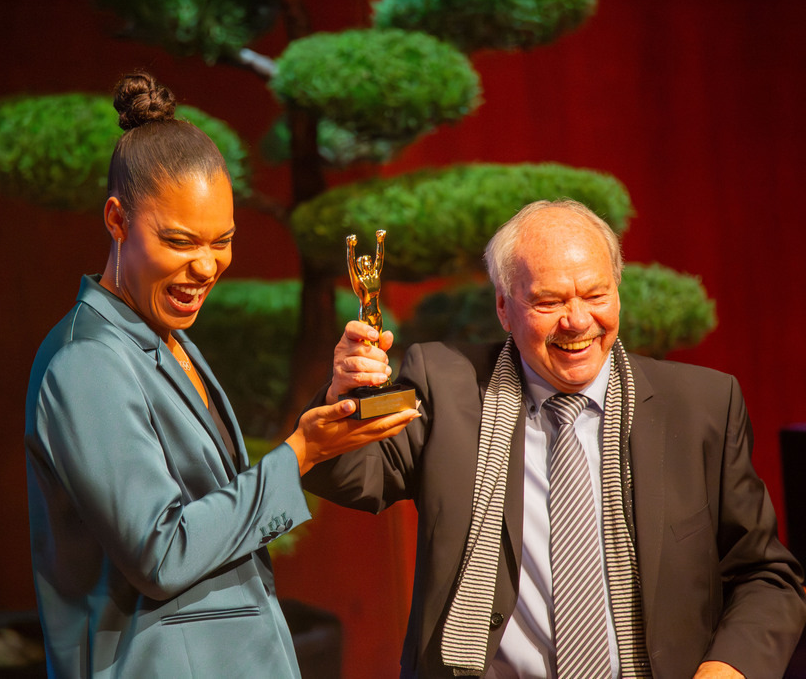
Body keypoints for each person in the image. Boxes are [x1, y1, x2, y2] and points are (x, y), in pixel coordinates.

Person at [304, 199, 806, 678]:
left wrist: (726, 671)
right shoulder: (447, 386)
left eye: (596, 295)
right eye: (548, 301)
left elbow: (767, 577)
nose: (578, 321)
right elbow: (351, 475)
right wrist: (343, 396)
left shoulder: (701, 407)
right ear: (504, 308)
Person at [23, 71, 417, 678]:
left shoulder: (164, 338)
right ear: (117, 219)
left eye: (222, 241)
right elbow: (162, 553)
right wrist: (301, 452)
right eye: (180, 241)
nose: (206, 266)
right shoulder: (87, 362)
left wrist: (336, 403)